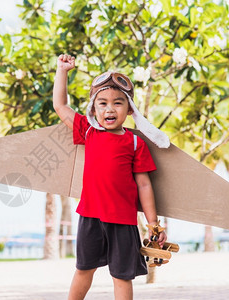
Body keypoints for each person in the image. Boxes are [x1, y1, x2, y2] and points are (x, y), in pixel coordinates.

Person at [52, 54, 169, 300]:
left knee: (122, 276)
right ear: (94, 108)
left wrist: (153, 224)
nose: (109, 109)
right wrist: (62, 71)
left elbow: (145, 185)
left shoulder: (136, 142)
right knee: (84, 270)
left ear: (129, 110)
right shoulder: (88, 131)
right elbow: (60, 107)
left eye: (118, 103)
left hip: (124, 221)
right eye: (102, 103)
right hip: (90, 217)